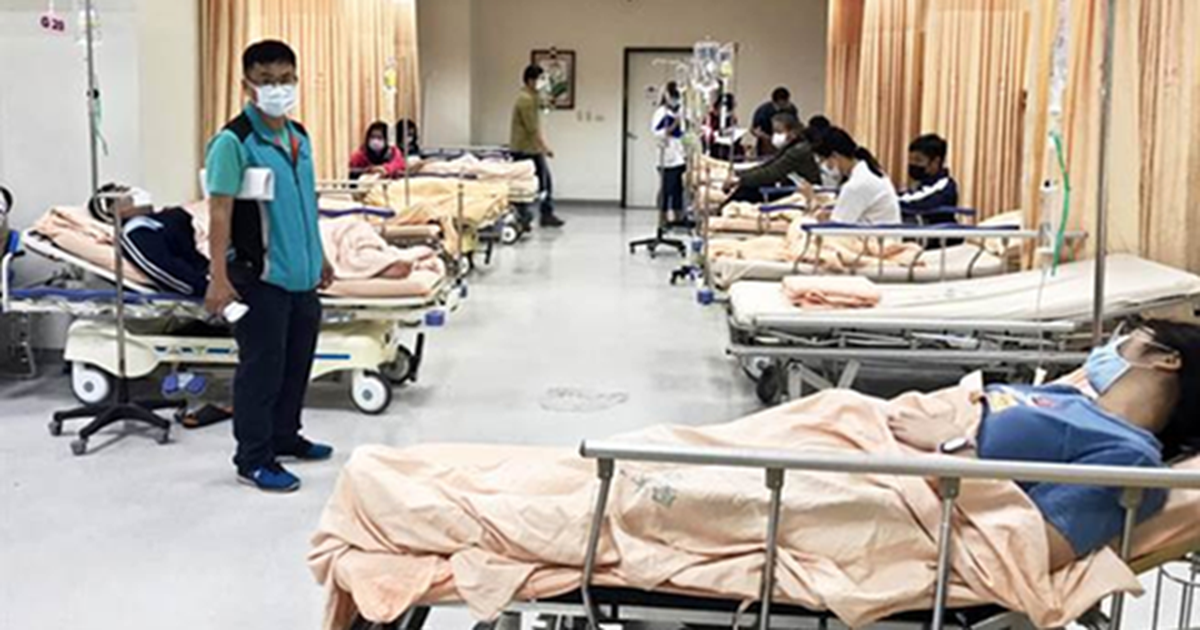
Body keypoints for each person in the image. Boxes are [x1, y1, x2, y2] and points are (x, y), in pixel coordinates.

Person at [890, 319, 1200, 569]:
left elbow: (1033, 548)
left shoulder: (1130, 457)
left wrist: (953, 444)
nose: (1105, 347)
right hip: (890, 441)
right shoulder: (1072, 398)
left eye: (1126, 336)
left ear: (1167, 359)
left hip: (897, 488)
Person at [203, 40, 333, 493]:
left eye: (285, 79)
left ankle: (285, 436)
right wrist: (218, 278)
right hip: (259, 278)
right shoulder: (233, 142)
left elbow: (305, 202)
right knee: (261, 372)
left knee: (296, 365)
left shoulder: (299, 136)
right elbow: (219, 212)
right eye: (266, 80)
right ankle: (254, 459)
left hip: (302, 276)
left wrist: (320, 255)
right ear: (247, 85)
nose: (277, 88)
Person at [88, 182, 209, 298]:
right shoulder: (136, 232)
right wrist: (209, 288)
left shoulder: (156, 219)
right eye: (125, 194)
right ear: (114, 211)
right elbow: (168, 271)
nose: (133, 192)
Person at [721, 112, 820, 203]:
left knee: (747, 190)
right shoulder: (792, 146)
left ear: (792, 132)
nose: (775, 135)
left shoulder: (799, 150)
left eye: (779, 131)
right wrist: (740, 175)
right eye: (774, 131)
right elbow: (770, 164)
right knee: (746, 187)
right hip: (790, 183)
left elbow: (773, 172)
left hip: (801, 189)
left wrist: (741, 179)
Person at [510, 64, 564, 228]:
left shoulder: (532, 96)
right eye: (540, 79)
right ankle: (527, 216)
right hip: (525, 149)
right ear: (530, 81)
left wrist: (552, 100)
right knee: (532, 184)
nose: (542, 83)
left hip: (530, 148)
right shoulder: (525, 100)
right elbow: (532, 129)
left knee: (539, 183)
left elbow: (544, 106)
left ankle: (533, 216)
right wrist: (545, 148)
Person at [809, 127, 900, 224]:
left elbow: (836, 228)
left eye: (823, 160)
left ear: (835, 156)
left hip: (875, 233)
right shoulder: (869, 171)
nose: (823, 166)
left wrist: (813, 202)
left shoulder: (857, 184)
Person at [899, 134, 960, 225]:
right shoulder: (919, 185)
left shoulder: (944, 185)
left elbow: (918, 203)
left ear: (935, 162)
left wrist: (889, 201)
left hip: (936, 233)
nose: (912, 164)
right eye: (910, 160)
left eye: (918, 160)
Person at [651, 81, 687, 224]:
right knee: (667, 189)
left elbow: (683, 132)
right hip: (666, 157)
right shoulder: (661, 113)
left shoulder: (679, 112)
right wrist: (674, 125)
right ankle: (663, 218)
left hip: (679, 156)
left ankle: (678, 216)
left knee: (678, 189)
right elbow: (658, 133)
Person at [751, 87, 798, 156]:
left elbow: (796, 126)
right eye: (780, 104)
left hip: (787, 143)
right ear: (774, 101)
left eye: (785, 102)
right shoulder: (763, 111)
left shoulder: (791, 109)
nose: (782, 106)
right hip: (766, 144)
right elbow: (754, 129)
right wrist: (765, 137)